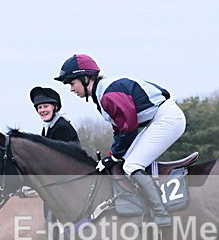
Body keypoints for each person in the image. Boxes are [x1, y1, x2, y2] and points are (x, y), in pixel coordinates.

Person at [54, 54, 183, 226]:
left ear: (85, 78)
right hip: (156, 119)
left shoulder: (107, 94)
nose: (71, 89)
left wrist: (115, 155)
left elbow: (129, 127)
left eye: (72, 83)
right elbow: (120, 129)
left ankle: (161, 214)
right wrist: (112, 155)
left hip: (167, 119)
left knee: (131, 165)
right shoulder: (101, 95)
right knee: (124, 162)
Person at [29, 86, 86, 240]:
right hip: (58, 187)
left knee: (63, 224)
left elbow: (70, 157)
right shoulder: (48, 128)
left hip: (70, 186)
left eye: (45, 106)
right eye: (39, 108)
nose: (41, 110)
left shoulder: (62, 127)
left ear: (54, 107)